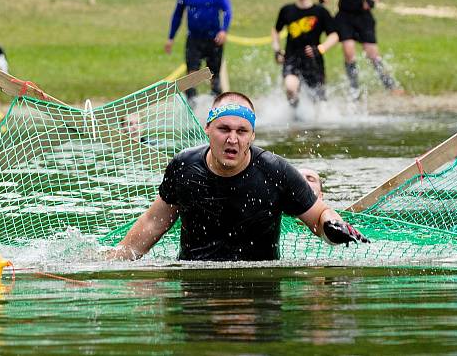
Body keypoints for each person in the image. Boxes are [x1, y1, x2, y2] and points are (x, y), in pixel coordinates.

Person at [106, 92, 368, 261]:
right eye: (224, 129)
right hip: (194, 290)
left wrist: (334, 228)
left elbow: (320, 215)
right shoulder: (184, 167)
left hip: (260, 288)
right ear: (207, 128)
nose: (232, 139)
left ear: (252, 135)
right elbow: (154, 221)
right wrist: (113, 261)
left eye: (242, 131)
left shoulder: (275, 171)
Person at [166, 0, 231, 102]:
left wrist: (223, 30)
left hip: (214, 39)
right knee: (191, 78)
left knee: (214, 77)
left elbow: (227, 10)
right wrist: (171, 37)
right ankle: (191, 109)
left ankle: (217, 109)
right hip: (194, 39)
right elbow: (178, 14)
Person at [271, 0, 339, 107]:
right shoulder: (287, 10)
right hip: (292, 58)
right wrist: (277, 50)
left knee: (318, 99)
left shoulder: (320, 12)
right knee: (290, 87)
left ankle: (316, 119)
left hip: (313, 60)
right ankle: (295, 113)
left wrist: (320, 48)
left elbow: (334, 35)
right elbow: (275, 30)